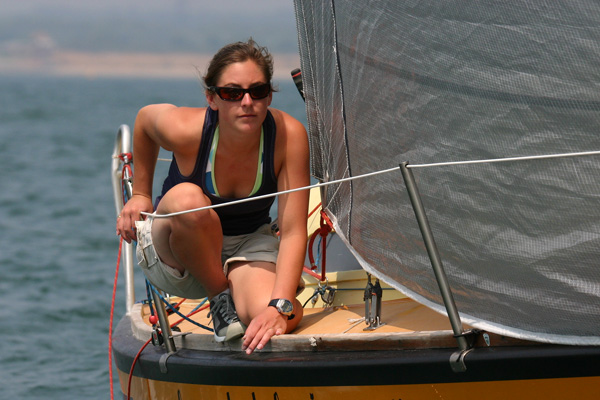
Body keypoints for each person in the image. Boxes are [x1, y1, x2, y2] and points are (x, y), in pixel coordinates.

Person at [116, 39, 309, 355]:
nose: (246, 102)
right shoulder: (185, 128)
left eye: (257, 91)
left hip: (246, 243)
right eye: (232, 93)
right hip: (177, 249)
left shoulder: (288, 136)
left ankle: (237, 299)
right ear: (212, 98)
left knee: (276, 315)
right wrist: (140, 193)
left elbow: (292, 232)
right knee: (188, 199)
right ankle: (220, 297)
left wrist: (280, 306)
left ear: (269, 94)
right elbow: (143, 121)